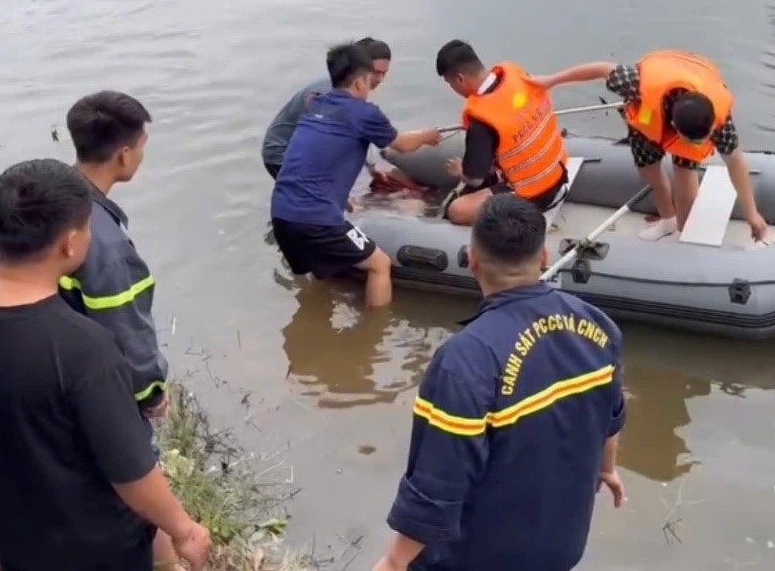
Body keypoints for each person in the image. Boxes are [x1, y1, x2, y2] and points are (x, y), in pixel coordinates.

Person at [0, 159, 212, 571]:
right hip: (100, 551)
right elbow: (131, 474)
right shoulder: (84, 349)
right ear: (70, 244)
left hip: (11, 535)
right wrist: (185, 530)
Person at [374, 194, 627, 571]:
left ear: (472, 261)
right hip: (561, 549)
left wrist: (394, 562)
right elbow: (611, 414)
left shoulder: (466, 360)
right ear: (543, 258)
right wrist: (607, 469)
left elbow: (438, 485)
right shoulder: (597, 326)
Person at [59, 91, 177, 567]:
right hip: (104, 389)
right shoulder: (102, 239)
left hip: (64, 369)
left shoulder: (56, 198)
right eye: (143, 146)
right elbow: (122, 322)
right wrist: (150, 391)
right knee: (138, 490)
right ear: (125, 152)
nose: (142, 156)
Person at [531, 49, 769, 241]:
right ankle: (667, 219)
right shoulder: (635, 83)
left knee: (685, 172)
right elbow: (602, 68)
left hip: (693, 84)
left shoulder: (719, 121)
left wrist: (752, 212)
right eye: (696, 140)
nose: (705, 143)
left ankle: (683, 227)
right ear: (676, 126)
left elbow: (736, 161)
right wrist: (552, 81)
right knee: (648, 169)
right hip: (647, 119)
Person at [271, 42, 441, 308]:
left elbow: (321, 157)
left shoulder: (316, 104)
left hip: (281, 214)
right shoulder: (364, 112)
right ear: (362, 81)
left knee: (322, 272)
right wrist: (427, 136)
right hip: (316, 219)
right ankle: (373, 342)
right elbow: (403, 145)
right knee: (380, 265)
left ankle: (315, 334)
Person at [434, 39, 606, 226]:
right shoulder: (515, 74)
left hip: (532, 195)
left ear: (459, 78)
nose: (452, 88)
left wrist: (460, 170)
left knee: (457, 210)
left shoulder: (480, 121)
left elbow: (475, 180)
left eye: (449, 82)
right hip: (558, 173)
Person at [261, 37, 392, 179]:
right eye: (375, 72)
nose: (379, 79)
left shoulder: (348, 91)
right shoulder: (329, 94)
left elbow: (358, 132)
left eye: (383, 73)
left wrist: (372, 168)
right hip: (281, 153)